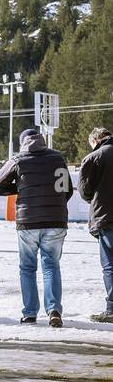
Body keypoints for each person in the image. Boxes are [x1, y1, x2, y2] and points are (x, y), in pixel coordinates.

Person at [0, 128, 73, 326]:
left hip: (28, 222)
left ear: (23, 142)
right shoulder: (57, 158)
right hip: (56, 220)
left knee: (27, 267)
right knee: (51, 265)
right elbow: (67, 190)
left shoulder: (18, 160)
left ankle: (30, 313)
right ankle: (53, 309)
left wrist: (19, 187)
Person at [78, 126, 113, 323]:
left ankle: (111, 309)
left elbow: (84, 191)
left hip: (107, 217)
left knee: (110, 266)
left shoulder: (94, 157)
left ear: (96, 140)